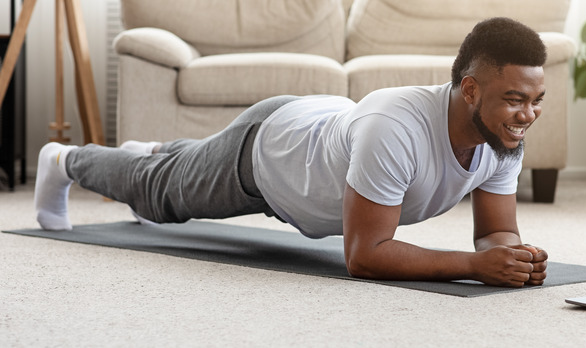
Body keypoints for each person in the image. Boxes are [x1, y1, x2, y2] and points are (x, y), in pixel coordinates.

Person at [34, 16, 549, 288]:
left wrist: (512, 257)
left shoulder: (500, 135)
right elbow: (364, 256)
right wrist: (474, 266)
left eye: (535, 101)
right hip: (267, 156)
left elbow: (495, 233)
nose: (526, 115)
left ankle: (156, 151)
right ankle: (62, 161)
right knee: (157, 197)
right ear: (469, 90)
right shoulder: (396, 127)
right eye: (515, 99)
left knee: (176, 166)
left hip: (317, 133)